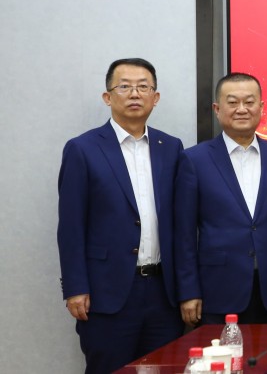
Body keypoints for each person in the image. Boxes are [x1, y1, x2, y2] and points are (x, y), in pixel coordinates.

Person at [57, 58, 184, 373]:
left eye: (143, 87)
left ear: (155, 97)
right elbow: (71, 226)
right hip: (107, 292)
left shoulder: (171, 147)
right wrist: (75, 287)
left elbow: (181, 223)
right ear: (107, 96)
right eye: (124, 86)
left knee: (164, 369)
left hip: (163, 294)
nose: (135, 94)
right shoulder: (82, 149)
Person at [174, 73, 267, 325]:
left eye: (249, 102)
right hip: (217, 288)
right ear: (217, 109)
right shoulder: (194, 160)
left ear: (261, 107)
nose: (242, 109)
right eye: (232, 102)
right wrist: (188, 290)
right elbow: (184, 233)